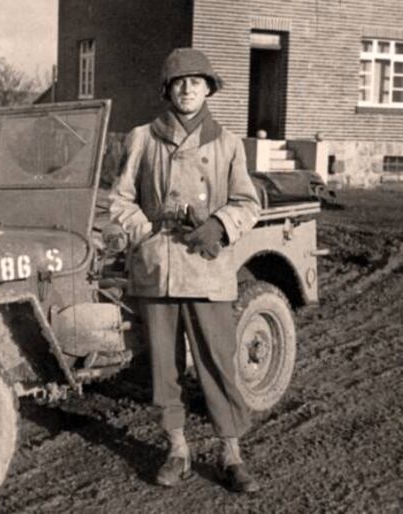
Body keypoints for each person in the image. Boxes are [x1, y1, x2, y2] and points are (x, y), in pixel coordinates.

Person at [107, 47, 261, 493]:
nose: (188, 88)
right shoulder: (142, 137)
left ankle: (231, 454)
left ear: (209, 88)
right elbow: (119, 200)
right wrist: (147, 228)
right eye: (179, 81)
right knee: (163, 366)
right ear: (167, 90)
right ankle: (177, 449)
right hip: (158, 268)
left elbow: (248, 203)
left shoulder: (228, 143)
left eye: (196, 80)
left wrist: (219, 225)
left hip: (208, 271)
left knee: (217, 363)